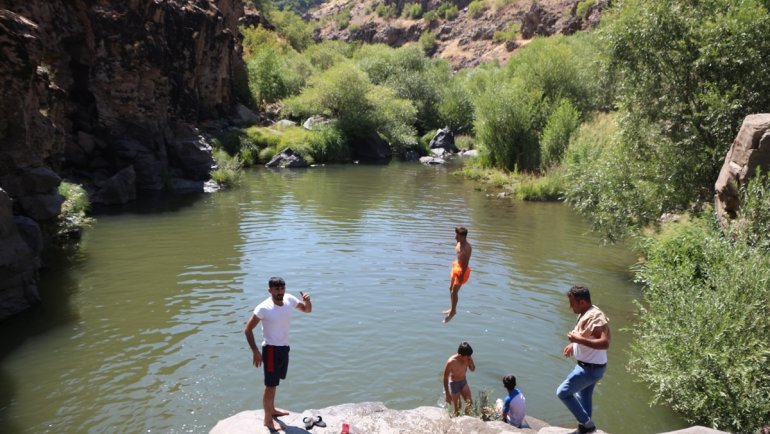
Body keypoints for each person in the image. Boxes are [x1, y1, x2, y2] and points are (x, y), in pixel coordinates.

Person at [244, 276, 312, 432]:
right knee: (270, 385)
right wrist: (255, 351)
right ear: (270, 290)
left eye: (282, 288)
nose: (280, 292)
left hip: (284, 348)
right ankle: (268, 420)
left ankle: (272, 410)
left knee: (274, 384)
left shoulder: (289, 299)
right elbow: (248, 329)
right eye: (276, 289)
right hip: (270, 350)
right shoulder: (263, 308)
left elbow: (307, 310)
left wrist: (308, 301)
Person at [556, 285, 611, 434]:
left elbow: (605, 343)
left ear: (582, 302)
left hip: (590, 369)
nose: (570, 306)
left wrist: (578, 340)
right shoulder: (585, 312)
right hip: (591, 367)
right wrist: (574, 344)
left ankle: (587, 424)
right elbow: (584, 335)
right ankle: (585, 429)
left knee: (563, 392)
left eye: (572, 302)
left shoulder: (595, 317)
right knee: (584, 395)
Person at [443, 226, 472, 323]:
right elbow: (459, 255)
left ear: (463, 237)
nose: (455, 238)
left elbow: (466, 263)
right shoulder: (459, 242)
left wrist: (462, 275)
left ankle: (453, 312)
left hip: (462, 271)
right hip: (456, 266)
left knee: (454, 292)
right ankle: (452, 308)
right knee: (450, 288)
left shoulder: (467, 248)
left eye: (458, 236)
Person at [443, 341, 476, 415]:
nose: (469, 357)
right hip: (454, 384)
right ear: (461, 355)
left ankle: (465, 419)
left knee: (470, 404)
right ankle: (455, 420)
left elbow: (473, 369)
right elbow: (445, 377)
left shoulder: (468, 359)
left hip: (463, 382)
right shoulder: (451, 362)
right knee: (458, 407)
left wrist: (471, 363)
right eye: (468, 356)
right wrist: (447, 394)